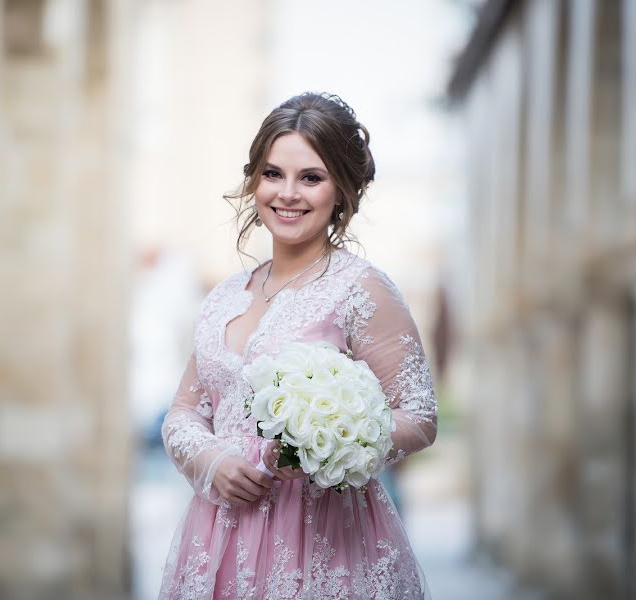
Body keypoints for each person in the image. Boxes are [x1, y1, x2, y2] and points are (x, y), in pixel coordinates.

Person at [158, 92, 438, 599]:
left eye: (310, 177)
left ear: (341, 189)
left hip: (324, 541)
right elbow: (183, 412)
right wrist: (211, 462)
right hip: (221, 535)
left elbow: (418, 416)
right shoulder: (224, 296)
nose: (287, 193)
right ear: (253, 182)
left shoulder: (362, 289)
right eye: (272, 174)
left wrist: (324, 447)